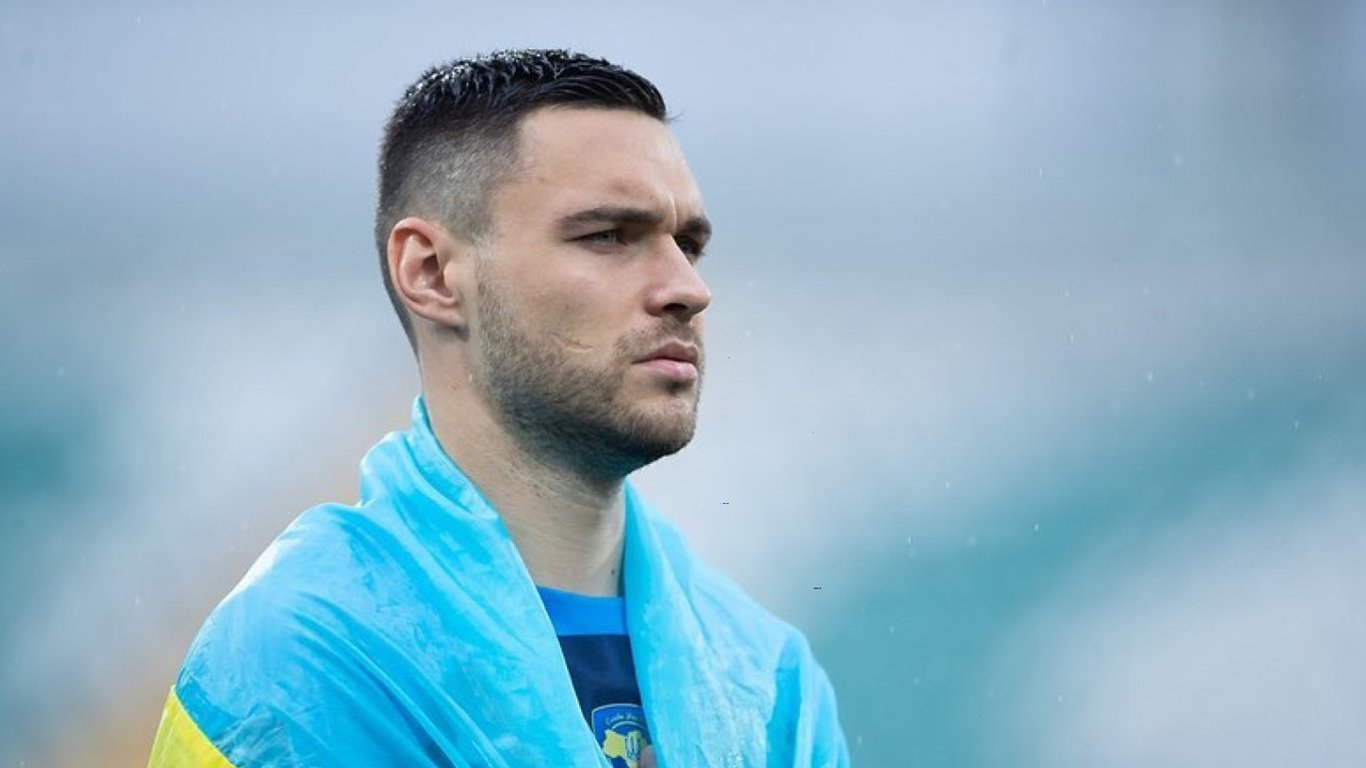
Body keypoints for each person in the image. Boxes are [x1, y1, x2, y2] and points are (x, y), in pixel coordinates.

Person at [147, 49, 849, 768]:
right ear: (431, 273)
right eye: (608, 236)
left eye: (688, 245)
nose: (689, 289)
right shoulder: (306, 654)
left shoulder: (767, 675)